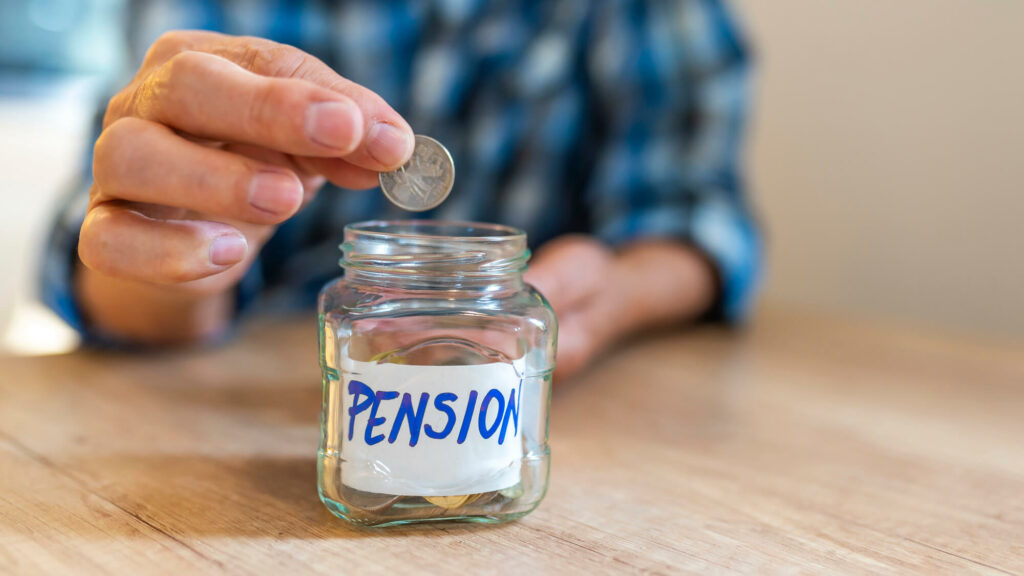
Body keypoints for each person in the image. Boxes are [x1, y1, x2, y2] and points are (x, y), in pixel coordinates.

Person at [41, 0, 761, 381]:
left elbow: (699, 212)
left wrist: (616, 295)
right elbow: (110, 267)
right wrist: (180, 246)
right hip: (230, 386)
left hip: (569, 396)